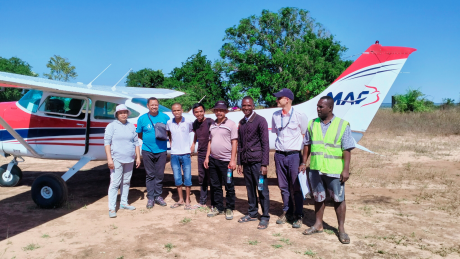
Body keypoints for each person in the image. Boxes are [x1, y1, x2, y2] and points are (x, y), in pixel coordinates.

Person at [299, 96, 354, 244]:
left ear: (330, 108)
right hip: (316, 168)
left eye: (321, 107)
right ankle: (318, 225)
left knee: (338, 199)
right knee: (318, 197)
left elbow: (347, 149)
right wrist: (304, 162)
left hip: (334, 169)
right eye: (317, 106)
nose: (318, 109)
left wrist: (346, 170)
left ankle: (341, 229)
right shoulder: (312, 124)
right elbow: (307, 145)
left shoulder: (342, 125)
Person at [271, 88, 308, 228]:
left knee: (296, 187)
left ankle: (299, 214)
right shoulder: (275, 115)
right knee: (283, 186)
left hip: (294, 156)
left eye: (279, 98)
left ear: (287, 99)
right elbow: (277, 133)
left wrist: (303, 160)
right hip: (280, 155)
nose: (276, 100)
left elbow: (304, 136)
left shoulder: (299, 115)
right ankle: (287, 212)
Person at [237, 96, 270, 229]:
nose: (246, 108)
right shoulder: (242, 123)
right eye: (244, 105)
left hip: (257, 162)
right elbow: (240, 144)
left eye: (249, 105)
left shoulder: (260, 121)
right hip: (246, 162)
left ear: (253, 106)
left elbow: (265, 143)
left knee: (262, 189)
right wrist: (239, 162)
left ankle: (265, 216)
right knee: (250, 189)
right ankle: (252, 213)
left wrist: (264, 164)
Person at [104, 104, 141, 218]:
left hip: (129, 158)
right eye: (121, 113)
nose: (123, 114)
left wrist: (138, 157)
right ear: (117, 114)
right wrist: (109, 159)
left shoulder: (131, 126)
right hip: (117, 158)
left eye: (125, 112)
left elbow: (136, 143)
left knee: (126, 182)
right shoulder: (111, 126)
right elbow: (107, 143)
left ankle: (124, 203)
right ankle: (111, 207)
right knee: (115, 183)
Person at [204, 100, 238, 220]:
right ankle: (219, 207)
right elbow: (210, 141)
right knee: (215, 185)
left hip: (226, 162)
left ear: (226, 111)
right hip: (213, 160)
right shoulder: (212, 125)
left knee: (229, 185)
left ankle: (229, 207)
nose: (219, 112)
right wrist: (207, 157)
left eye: (221, 110)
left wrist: (232, 160)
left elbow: (234, 142)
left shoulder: (231, 125)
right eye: (217, 110)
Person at [136, 97, 169, 208]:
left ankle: (158, 196)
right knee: (150, 175)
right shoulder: (142, 119)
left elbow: (169, 132)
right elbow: (139, 134)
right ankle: (150, 197)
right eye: (152, 105)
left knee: (159, 174)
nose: (154, 107)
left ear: (158, 105)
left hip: (162, 150)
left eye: (156, 105)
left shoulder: (165, 117)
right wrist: (148, 141)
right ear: (148, 106)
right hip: (147, 150)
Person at [167, 103, 194, 210]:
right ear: (172, 112)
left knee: (187, 177)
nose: (176, 112)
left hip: (186, 153)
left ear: (182, 110)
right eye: (174, 110)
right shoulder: (169, 123)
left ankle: (187, 199)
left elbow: (192, 133)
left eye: (178, 110)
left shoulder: (188, 122)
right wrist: (172, 144)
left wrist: (192, 146)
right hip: (174, 154)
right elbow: (169, 135)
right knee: (177, 177)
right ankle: (180, 199)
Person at [190, 103, 214, 208]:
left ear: (204, 111)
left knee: (212, 178)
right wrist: (193, 143)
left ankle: (214, 202)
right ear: (193, 113)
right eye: (196, 112)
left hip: (211, 153)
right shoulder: (195, 123)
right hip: (200, 153)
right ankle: (202, 201)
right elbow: (196, 133)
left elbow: (213, 137)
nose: (199, 113)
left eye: (201, 111)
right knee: (202, 177)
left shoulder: (210, 122)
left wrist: (208, 156)